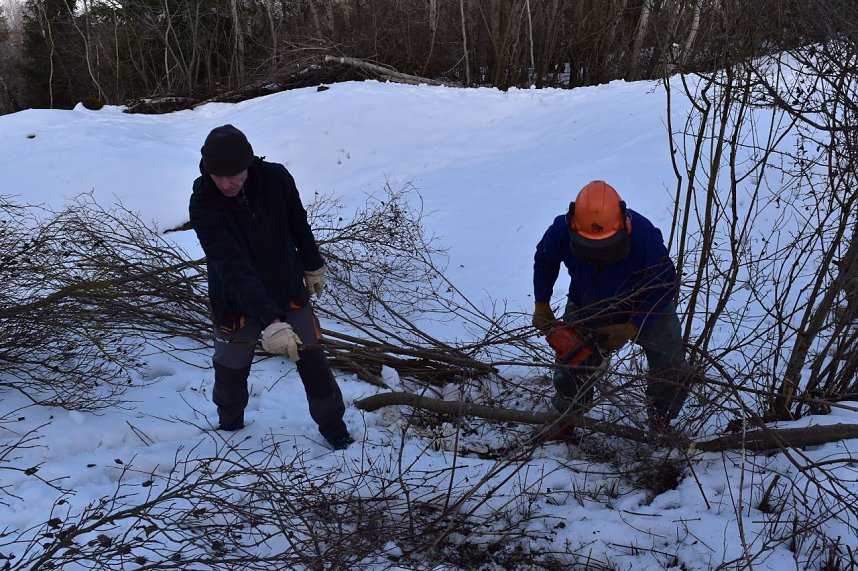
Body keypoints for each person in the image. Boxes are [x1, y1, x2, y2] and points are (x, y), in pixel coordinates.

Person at [189, 124, 354, 450]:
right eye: (219, 176)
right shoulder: (204, 204)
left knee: (313, 359)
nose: (228, 183)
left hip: (287, 288)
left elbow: (298, 224)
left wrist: (312, 263)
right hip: (235, 301)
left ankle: (334, 426)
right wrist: (270, 320)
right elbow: (232, 268)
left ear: (249, 165)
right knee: (230, 370)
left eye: (235, 174)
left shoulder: (276, 179)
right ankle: (230, 421)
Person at [532, 180, 691, 431]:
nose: (597, 254)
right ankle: (568, 415)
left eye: (604, 247)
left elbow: (665, 284)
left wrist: (632, 325)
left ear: (623, 228)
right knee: (571, 361)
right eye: (590, 247)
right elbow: (544, 259)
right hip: (587, 303)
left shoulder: (643, 236)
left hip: (643, 303)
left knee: (670, 363)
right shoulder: (561, 231)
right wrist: (542, 303)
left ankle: (662, 417)